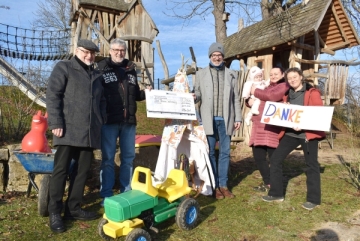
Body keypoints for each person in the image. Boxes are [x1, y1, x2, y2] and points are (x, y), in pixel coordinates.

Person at [46, 39, 106, 233]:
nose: (89, 56)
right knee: (61, 170)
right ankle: (55, 211)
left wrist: (101, 119)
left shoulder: (97, 74)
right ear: (77, 50)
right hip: (67, 128)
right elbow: (53, 94)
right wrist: (55, 122)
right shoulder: (64, 67)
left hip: (89, 131)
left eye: (93, 53)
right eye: (85, 52)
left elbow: (102, 101)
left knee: (82, 171)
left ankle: (73, 208)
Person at [262, 67, 325, 210]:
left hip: (307, 134)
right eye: (289, 78)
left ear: (301, 77)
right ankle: (276, 193)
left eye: (294, 77)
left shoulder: (312, 93)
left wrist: (302, 125)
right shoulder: (287, 94)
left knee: (311, 165)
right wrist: (285, 107)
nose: (292, 80)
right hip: (290, 134)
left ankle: (313, 199)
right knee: (275, 159)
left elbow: (318, 114)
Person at [98, 38, 151, 205]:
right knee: (107, 158)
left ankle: (126, 191)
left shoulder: (130, 70)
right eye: (116, 50)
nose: (119, 53)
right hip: (109, 121)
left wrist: (146, 94)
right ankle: (106, 194)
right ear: (110, 51)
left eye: (122, 50)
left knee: (128, 157)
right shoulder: (101, 69)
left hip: (128, 121)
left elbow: (134, 95)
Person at [193, 42, 242, 199]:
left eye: (219, 55)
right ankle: (213, 186)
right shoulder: (201, 74)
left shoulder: (231, 74)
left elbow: (236, 99)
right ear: (210, 57)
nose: (217, 57)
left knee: (225, 153)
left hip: (226, 119)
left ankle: (224, 185)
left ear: (223, 57)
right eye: (214, 55)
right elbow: (198, 94)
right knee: (210, 154)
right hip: (208, 119)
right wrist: (194, 96)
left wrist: (238, 117)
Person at [247, 66, 289, 193]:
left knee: (273, 157)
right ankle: (268, 182)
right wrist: (249, 100)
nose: (273, 76)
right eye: (271, 74)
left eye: (276, 74)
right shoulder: (266, 85)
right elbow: (257, 98)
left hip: (271, 127)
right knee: (258, 156)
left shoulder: (283, 86)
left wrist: (255, 91)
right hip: (258, 126)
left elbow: (272, 96)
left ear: (282, 75)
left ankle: (276, 183)